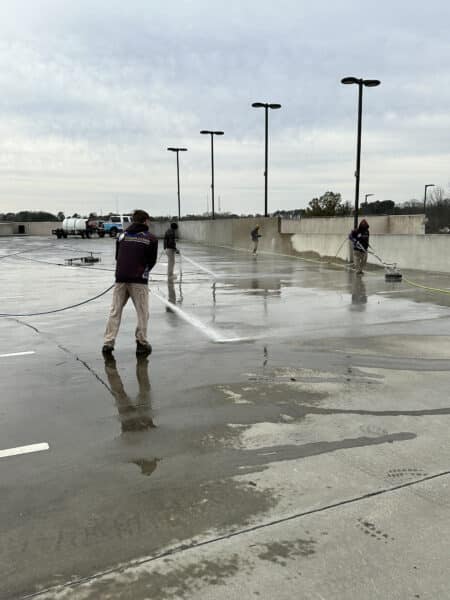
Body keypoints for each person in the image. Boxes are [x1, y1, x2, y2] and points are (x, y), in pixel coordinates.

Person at [102, 209, 158, 356]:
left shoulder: (121, 236)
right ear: (145, 221)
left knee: (115, 311)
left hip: (120, 278)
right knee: (142, 312)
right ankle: (141, 343)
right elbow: (151, 261)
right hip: (139, 279)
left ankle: (108, 343)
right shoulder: (151, 238)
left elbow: (117, 256)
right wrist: (142, 272)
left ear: (133, 220)